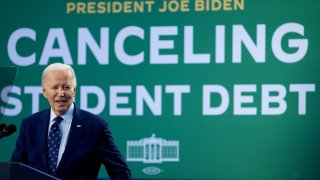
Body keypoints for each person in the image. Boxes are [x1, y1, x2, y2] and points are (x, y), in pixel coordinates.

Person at [11, 63, 131, 180]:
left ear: (74, 90)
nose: (61, 93)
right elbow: (14, 170)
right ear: (44, 91)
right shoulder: (30, 125)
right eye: (54, 87)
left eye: (66, 87)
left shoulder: (94, 126)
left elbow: (120, 172)